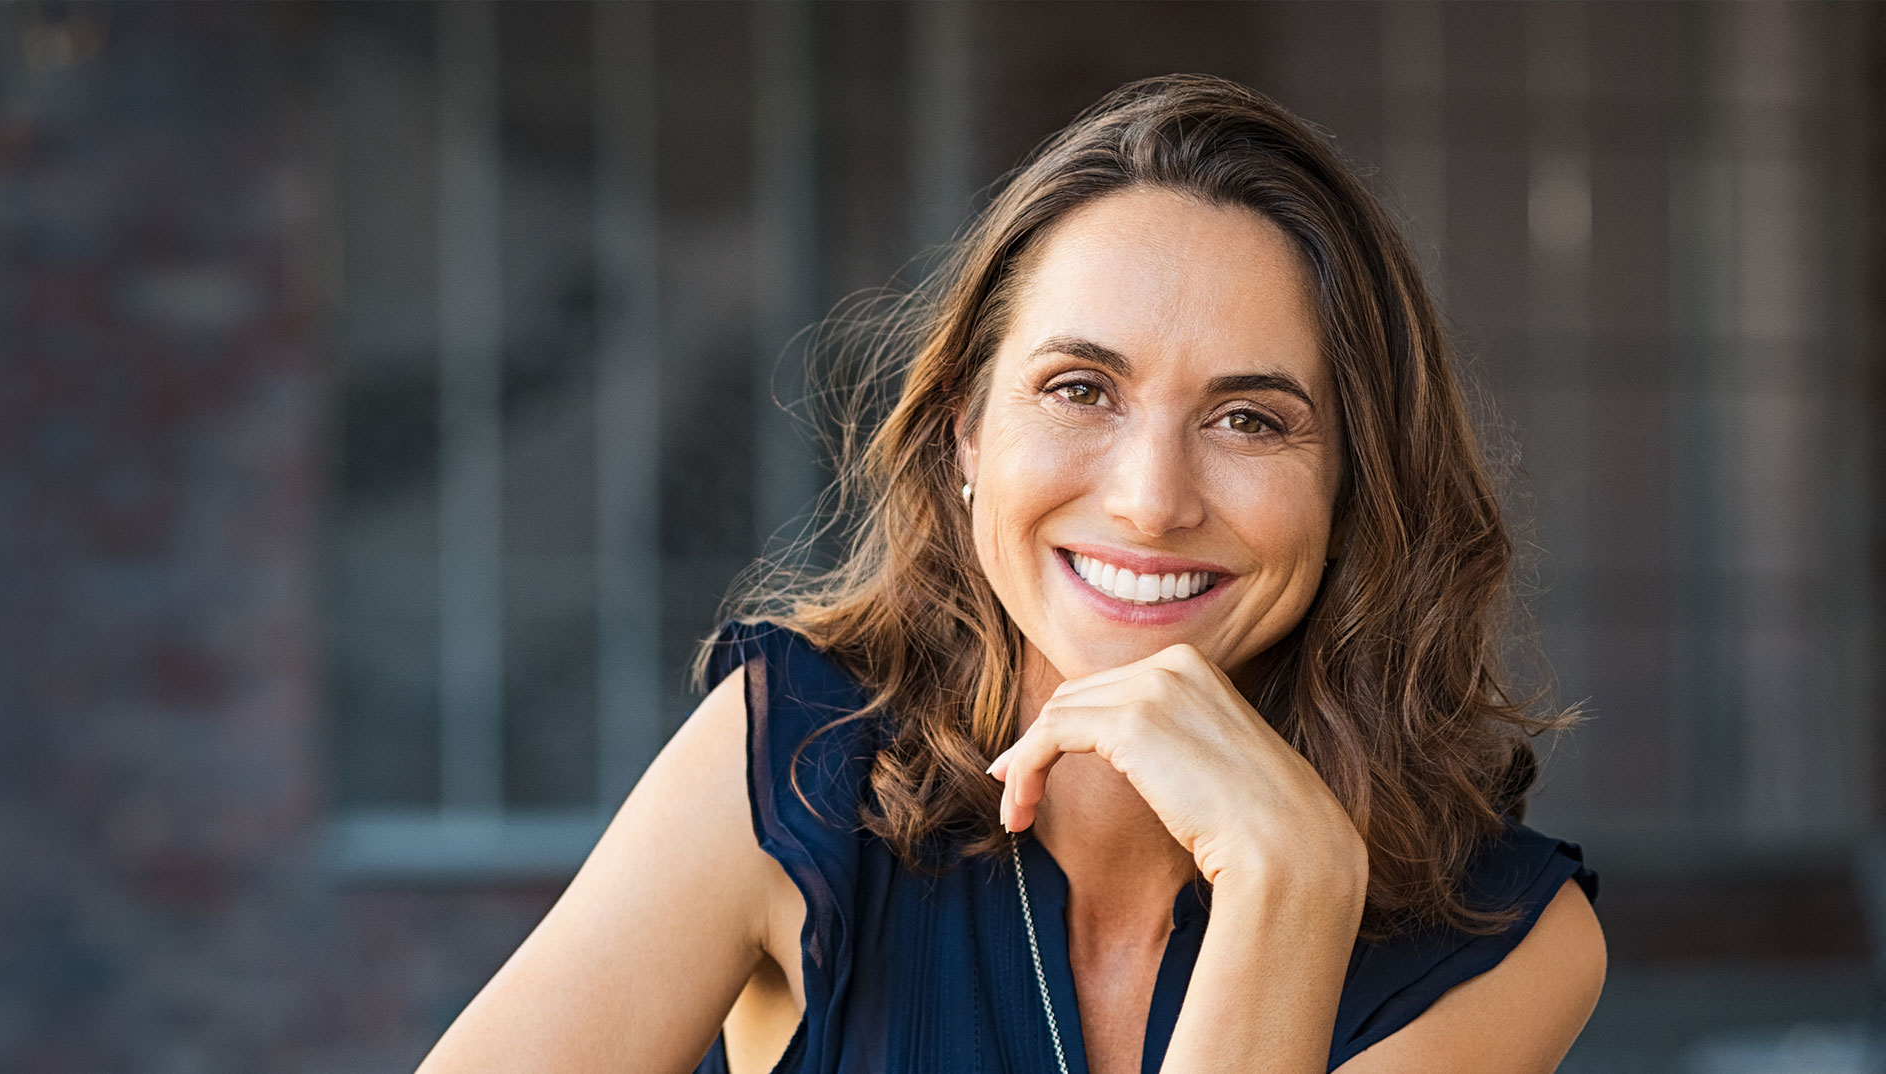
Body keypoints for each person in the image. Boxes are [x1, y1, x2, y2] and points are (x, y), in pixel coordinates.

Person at [416, 74, 1605, 1074]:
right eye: (1080, 390)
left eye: (1249, 418)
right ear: (965, 438)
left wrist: (1285, 899)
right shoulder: (796, 765)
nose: (1151, 498)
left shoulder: (1512, 936)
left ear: (1355, 489)